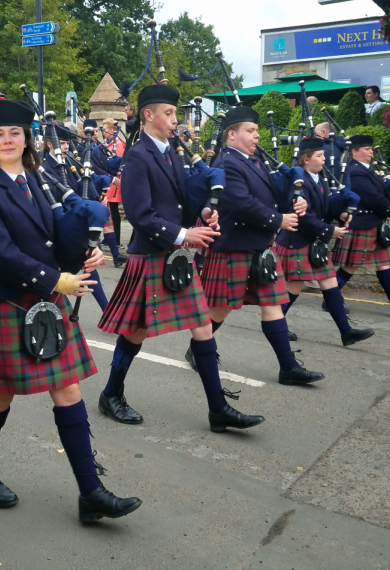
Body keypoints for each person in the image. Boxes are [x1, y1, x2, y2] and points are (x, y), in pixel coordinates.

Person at [0, 98, 142, 521]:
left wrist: (83, 258)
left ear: (27, 139)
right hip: (6, 300)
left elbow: (55, 241)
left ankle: (91, 492)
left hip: (46, 298)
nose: (8, 140)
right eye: (0, 134)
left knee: (69, 389)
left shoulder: (39, 181)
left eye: (16, 133)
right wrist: (57, 280)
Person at [97, 84, 265, 432]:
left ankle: (217, 409)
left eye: (175, 114)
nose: (176, 121)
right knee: (136, 331)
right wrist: (184, 235)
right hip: (151, 255)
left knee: (203, 327)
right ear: (149, 115)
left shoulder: (171, 154)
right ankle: (111, 394)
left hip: (176, 256)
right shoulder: (137, 157)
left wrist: (202, 213)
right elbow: (140, 215)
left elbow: (182, 205)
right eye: (170, 114)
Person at [193, 106, 325, 386]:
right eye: (250, 131)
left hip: (258, 247)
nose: (256, 136)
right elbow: (241, 203)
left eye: (256, 131)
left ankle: (288, 367)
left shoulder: (252, 161)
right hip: (233, 247)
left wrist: (295, 201)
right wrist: (279, 220)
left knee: (274, 304)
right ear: (231, 134)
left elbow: (271, 193)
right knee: (220, 309)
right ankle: (197, 349)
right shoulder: (226, 163)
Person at [276, 137, 375, 347]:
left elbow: (323, 208)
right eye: (319, 156)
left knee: (330, 283)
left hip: (312, 241)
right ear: (305, 158)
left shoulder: (318, 178)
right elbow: (304, 216)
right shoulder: (299, 180)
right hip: (297, 241)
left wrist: (339, 214)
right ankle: (276, 325)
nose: (324, 160)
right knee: (293, 288)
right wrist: (331, 231)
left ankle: (346, 332)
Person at [332, 135, 390, 318]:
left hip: (372, 224)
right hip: (361, 225)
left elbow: (385, 191)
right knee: (351, 266)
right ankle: (330, 298)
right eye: (366, 149)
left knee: (382, 264)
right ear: (354, 152)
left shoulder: (369, 170)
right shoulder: (355, 172)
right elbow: (372, 198)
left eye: (371, 148)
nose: (371, 151)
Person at [40, 126, 111, 313]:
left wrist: (97, 198)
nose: (65, 147)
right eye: (62, 143)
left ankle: (107, 310)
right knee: (67, 273)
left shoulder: (70, 164)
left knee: (88, 268)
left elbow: (84, 186)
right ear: (50, 144)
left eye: (66, 143)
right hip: (60, 227)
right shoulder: (44, 168)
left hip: (79, 223)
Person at [101, 119, 127, 260]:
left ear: (111, 130)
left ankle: (115, 239)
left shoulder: (119, 145)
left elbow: (120, 163)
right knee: (111, 209)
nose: (104, 133)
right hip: (109, 180)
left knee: (115, 211)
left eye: (105, 129)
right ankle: (110, 237)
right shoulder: (108, 144)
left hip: (115, 181)